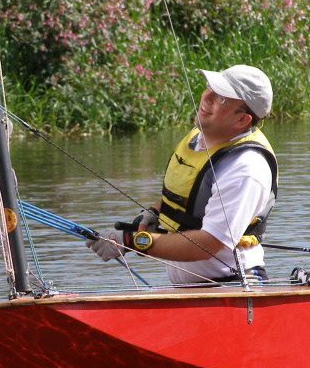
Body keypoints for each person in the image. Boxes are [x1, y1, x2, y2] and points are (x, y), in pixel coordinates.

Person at [86, 64, 278, 284]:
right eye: (209, 88)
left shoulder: (246, 168)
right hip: (191, 290)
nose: (207, 97)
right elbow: (193, 196)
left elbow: (208, 244)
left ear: (242, 120)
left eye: (222, 98)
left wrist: (131, 241)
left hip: (230, 288)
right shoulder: (200, 137)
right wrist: (155, 213)